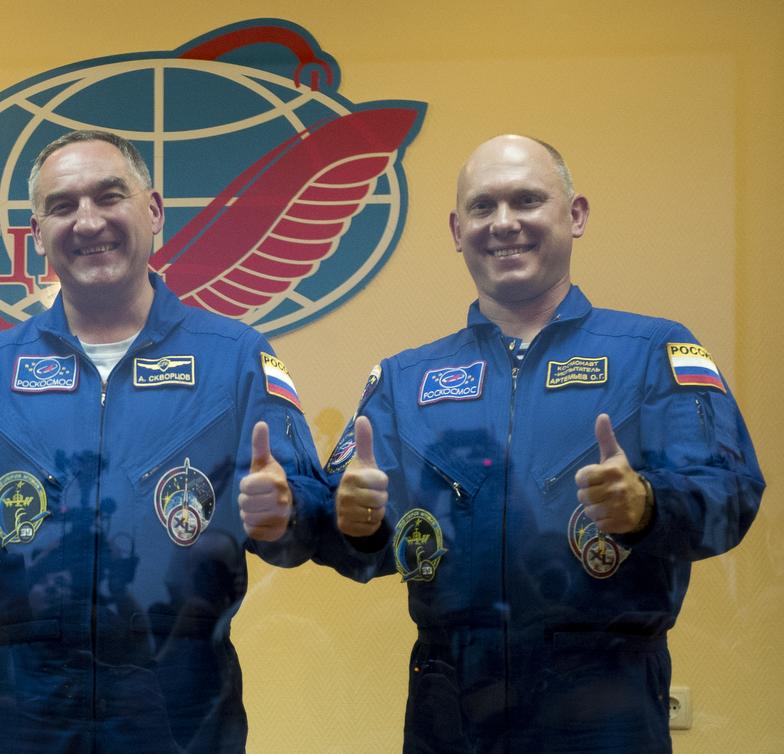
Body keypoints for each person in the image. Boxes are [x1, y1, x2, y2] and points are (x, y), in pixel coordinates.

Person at [0, 129, 330, 753]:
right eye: (62, 206)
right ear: (37, 234)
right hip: (24, 704)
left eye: (109, 197)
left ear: (155, 211)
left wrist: (289, 512)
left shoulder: (236, 358)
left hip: (182, 698)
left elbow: (309, 510)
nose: (88, 222)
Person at [319, 134, 765, 753]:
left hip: (605, 701)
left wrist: (648, 506)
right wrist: (352, 524)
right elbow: (341, 533)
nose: (504, 224)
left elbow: (732, 492)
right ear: (456, 228)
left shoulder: (652, 354)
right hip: (448, 705)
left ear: (575, 215)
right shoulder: (404, 381)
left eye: (527, 200)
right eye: (483, 207)